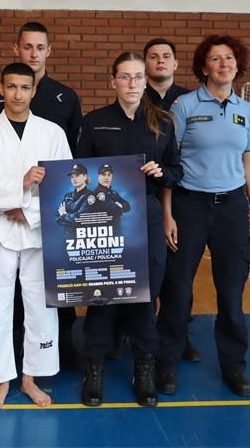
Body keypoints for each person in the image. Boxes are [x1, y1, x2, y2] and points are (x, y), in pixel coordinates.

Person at [155, 35, 250, 398]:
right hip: (189, 206)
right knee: (177, 291)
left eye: (229, 57)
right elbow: (170, 165)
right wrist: (168, 214)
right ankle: (166, 365)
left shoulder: (247, 111)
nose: (224, 64)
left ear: (237, 64)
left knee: (231, 294)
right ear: (204, 67)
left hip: (231, 209)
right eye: (216, 59)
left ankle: (234, 367)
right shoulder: (185, 106)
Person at [75, 52, 182, 407]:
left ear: (145, 81)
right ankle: (94, 369)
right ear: (113, 82)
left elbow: (176, 171)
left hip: (146, 217)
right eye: (125, 77)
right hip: (103, 222)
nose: (132, 83)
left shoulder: (162, 122)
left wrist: (161, 173)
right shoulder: (94, 122)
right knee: (101, 295)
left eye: (138, 77)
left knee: (144, 296)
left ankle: (144, 370)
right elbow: (78, 173)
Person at [0, 62, 72, 409]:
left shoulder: (52, 133)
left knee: (40, 307)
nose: (17, 94)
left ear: (34, 91)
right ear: (1, 89)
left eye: (25, 87)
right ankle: (1, 379)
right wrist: (19, 185)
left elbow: (65, 185)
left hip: (39, 232)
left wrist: (28, 212)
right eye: (11, 87)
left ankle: (30, 378)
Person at [0, 21, 84, 368]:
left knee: (47, 297)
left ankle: (47, 360)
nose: (17, 94)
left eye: (40, 47)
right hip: (3, 222)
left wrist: (33, 211)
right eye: (27, 46)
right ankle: (6, 364)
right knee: (2, 300)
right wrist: (14, 194)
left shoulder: (61, 109)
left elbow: (70, 170)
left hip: (44, 220)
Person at [142, 37, 202, 363]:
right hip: (148, 196)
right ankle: (136, 329)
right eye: (153, 56)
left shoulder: (190, 101)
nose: (160, 61)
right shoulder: (136, 98)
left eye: (166, 56)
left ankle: (178, 332)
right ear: (145, 64)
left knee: (179, 273)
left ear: (176, 64)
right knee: (145, 268)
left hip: (185, 194)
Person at [56, 163, 95, 232]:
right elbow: (58, 215)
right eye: (72, 177)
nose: (74, 179)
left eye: (77, 175)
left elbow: (80, 219)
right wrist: (70, 218)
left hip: (83, 235)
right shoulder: (68, 196)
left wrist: (64, 215)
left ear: (85, 177)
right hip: (67, 236)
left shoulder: (91, 196)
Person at [92, 164, 130, 229]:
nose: (106, 178)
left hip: (116, 229)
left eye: (109, 175)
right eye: (103, 174)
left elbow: (128, 207)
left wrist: (120, 205)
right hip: (104, 230)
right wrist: (120, 206)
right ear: (98, 176)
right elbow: (115, 211)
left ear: (112, 176)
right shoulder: (97, 193)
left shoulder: (114, 192)